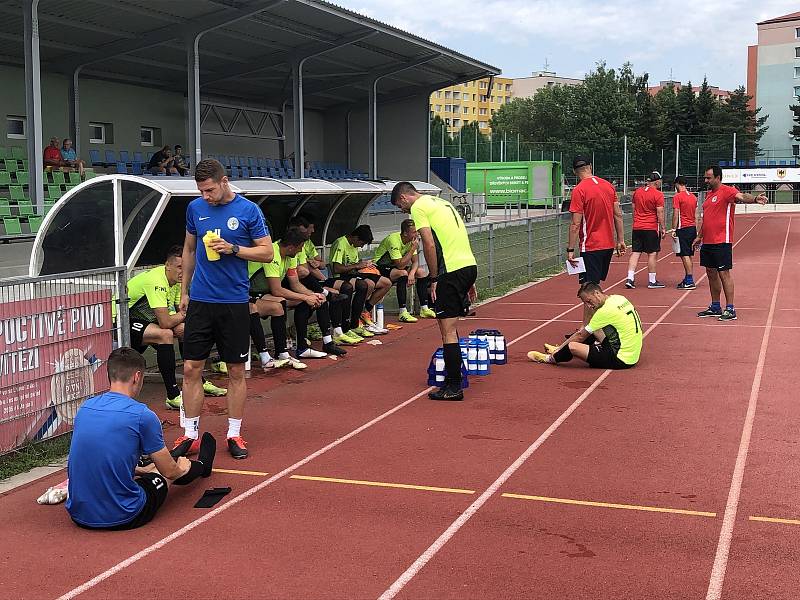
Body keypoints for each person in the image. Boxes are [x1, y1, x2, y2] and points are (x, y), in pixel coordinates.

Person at [174, 159, 273, 460]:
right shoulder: (195, 209)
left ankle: (234, 433)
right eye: (201, 191)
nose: (205, 196)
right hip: (202, 301)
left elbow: (267, 252)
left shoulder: (248, 211)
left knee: (234, 370)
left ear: (224, 181)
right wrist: (184, 291)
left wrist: (234, 249)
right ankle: (190, 434)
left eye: (210, 190)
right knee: (191, 368)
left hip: (233, 302)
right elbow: (189, 249)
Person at [66, 348, 216, 530]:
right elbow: (170, 472)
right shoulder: (142, 414)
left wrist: (136, 469)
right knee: (166, 472)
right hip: (124, 515)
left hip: (78, 514)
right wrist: (182, 469)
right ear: (137, 377)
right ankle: (203, 466)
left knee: (151, 467)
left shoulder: (85, 408)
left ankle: (169, 464)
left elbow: (96, 453)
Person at [391, 182, 477, 401]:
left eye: (401, 208)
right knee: (449, 326)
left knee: (447, 330)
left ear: (403, 198)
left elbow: (428, 244)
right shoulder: (441, 202)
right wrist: (468, 279)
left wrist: (434, 277)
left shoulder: (419, 207)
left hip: (450, 270)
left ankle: (454, 386)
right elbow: (457, 237)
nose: (404, 212)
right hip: (467, 265)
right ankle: (453, 378)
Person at [126, 246, 227, 410]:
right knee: (165, 334)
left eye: (186, 267)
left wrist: (182, 316)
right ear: (168, 265)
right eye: (179, 267)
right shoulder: (157, 280)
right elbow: (167, 322)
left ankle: (197, 380)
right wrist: (183, 315)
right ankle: (173, 396)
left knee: (185, 330)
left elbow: (175, 314)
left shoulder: (176, 282)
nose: (183, 271)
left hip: (146, 320)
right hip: (121, 321)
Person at [252, 228, 345, 362]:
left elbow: (295, 283)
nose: (301, 251)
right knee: (281, 303)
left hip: (268, 292)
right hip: (252, 292)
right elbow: (276, 290)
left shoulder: (291, 256)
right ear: (290, 247)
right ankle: (281, 352)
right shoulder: (272, 254)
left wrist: (312, 296)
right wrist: (306, 297)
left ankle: (304, 348)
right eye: (300, 248)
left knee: (313, 299)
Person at [693, 165, 767, 321]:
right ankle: (715, 306)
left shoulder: (727, 191)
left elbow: (741, 196)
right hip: (708, 241)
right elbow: (707, 219)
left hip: (722, 241)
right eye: (705, 177)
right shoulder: (708, 195)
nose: (706, 180)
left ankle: (730, 308)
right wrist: (700, 236)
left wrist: (754, 199)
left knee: (724, 274)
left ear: (718, 178)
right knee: (711, 274)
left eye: (709, 178)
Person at [566, 156, 626, 327]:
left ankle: (590, 330)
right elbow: (618, 215)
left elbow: (576, 223)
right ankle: (592, 327)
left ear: (574, 172)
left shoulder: (579, 190)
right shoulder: (608, 186)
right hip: (607, 245)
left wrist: (570, 249)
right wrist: (621, 240)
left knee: (588, 291)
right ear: (590, 167)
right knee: (594, 287)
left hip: (591, 246)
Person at [528, 283, 642, 369]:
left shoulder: (604, 312)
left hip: (620, 359)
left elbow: (580, 336)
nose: (588, 305)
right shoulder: (618, 298)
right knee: (594, 329)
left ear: (597, 293)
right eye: (585, 303)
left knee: (572, 346)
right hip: (632, 353)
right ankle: (560, 349)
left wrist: (560, 349)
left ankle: (550, 358)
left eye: (589, 301)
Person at [287, 215, 358, 345]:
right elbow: (300, 273)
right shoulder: (285, 248)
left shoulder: (302, 245)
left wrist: (314, 264)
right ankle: (298, 341)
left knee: (333, 293)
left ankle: (339, 332)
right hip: (293, 285)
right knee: (318, 297)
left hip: (311, 281)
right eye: (310, 229)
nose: (312, 232)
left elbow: (321, 265)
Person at [329, 225, 388, 339]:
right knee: (365, 285)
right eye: (361, 243)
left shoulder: (354, 245)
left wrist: (365, 265)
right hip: (341, 277)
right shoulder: (341, 243)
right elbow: (336, 268)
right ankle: (354, 322)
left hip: (353, 274)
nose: (361, 246)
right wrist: (357, 265)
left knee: (386, 282)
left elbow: (354, 266)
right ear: (355, 238)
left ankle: (365, 311)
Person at [373, 219, 434, 322]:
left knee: (421, 272)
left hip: (396, 267)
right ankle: (403, 311)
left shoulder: (412, 241)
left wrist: (412, 274)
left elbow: (415, 262)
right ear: (405, 233)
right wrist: (412, 249)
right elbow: (400, 265)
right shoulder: (394, 240)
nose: (417, 234)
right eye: (414, 232)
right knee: (402, 273)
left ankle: (424, 308)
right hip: (381, 267)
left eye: (417, 231)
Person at [625, 171, 666, 289]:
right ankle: (652, 281)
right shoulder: (658, 194)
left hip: (637, 226)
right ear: (657, 181)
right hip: (651, 227)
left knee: (636, 252)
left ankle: (630, 278)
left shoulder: (637, 192)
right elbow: (660, 212)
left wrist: (636, 220)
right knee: (652, 253)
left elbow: (633, 209)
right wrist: (663, 227)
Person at [670, 176, 698, 290]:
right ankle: (688, 277)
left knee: (684, 254)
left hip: (683, 228)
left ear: (677, 184)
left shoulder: (677, 197)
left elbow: (676, 214)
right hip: (692, 228)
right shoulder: (693, 197)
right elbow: (697, 215)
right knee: (689, 254)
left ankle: (690, 280)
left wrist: (673, 229)